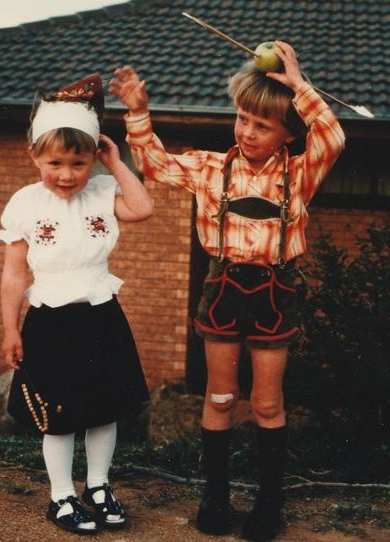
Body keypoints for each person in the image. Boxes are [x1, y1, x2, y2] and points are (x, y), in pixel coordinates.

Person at [110, 41, 345, 541]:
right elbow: (153, 165)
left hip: (275, 291)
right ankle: (215, 496)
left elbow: (332, 137)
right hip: (222, 289)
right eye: (242, 119)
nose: (248, 131)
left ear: (286, 133)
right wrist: (137, 112)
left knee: (265, 402)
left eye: (262, 125)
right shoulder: (210, 167)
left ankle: (268, 504)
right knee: (219, 397)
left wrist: (298, 86)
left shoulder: (300, 173)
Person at [0, 75, 153, 535]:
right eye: (55, 162)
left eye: (79, 163)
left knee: (104, 410)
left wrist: (115, 162)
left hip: (101, 314)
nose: (66, 174)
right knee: (59, 417)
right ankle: (62, 493)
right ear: (35, 157)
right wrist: (11, 328)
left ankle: (99, 487)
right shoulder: (25, 203)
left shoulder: (103, 193)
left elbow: (143, 208)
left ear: (92, 160)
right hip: (49, 320)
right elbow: (13, 273)